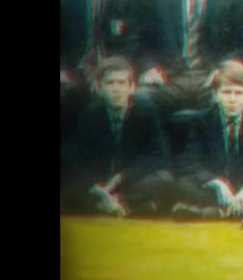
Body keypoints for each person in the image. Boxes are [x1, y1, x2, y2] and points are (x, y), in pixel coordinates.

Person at [61, 57, 174, 216]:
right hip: (101, 181)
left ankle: (115, 203)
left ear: (132, 87)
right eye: (110, 83)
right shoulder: (90, 114)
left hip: (129, 180)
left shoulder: (146, 110)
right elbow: (77, 156)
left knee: (164, 180)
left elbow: (160, 156)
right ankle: (127, 206)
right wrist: (94, 184)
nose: (116, 89)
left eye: (121, 83)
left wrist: (123, 176)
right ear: (100, 88)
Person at [173, 59, 243, 220]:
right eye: (226, 92)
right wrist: (217, 183)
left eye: (239, 93)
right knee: (183, 184)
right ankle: (237, 210)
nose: (232, 99)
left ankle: (219, 211)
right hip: (218, 186)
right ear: (216, 95)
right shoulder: (203, 119)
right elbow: (190, 161)